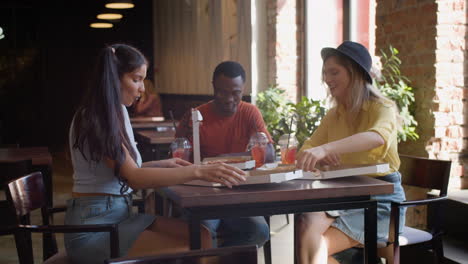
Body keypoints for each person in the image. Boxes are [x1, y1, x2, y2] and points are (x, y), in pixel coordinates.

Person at [65, 44, 246, 264]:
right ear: (113, 78)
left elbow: (125, 171)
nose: (142, 88)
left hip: (118, 216)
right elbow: (133, 178)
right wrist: (197, 171)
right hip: (95, 227)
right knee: (195, 244)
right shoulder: (95, 117)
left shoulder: (117, 111)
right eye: (136, 79)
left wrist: (163, 164)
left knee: (202, 235)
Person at [295, 41, 406, 264]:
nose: (327, 79)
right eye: (325, 73)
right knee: (306, 222)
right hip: (346, 196)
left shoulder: (382, 108)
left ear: (355, 74)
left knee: (315, 245)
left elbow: (377, 136)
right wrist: (321, 155)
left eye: (334, 72)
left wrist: (327, 148)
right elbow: (305, 151)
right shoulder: (334, 115)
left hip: (381, 201)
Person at [175, 61, 273, 248]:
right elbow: (178, 163)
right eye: (222, 92)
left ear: (243, 89)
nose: (229, 99)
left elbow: (269, 158)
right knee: (201, 230)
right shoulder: (196, 116)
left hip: (239, 194)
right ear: (213, 87)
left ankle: (220, 257)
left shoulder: (250, 112)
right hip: (203, 194)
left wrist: (262, 143)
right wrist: (188, 135)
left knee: (260, 231)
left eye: (236, 93)